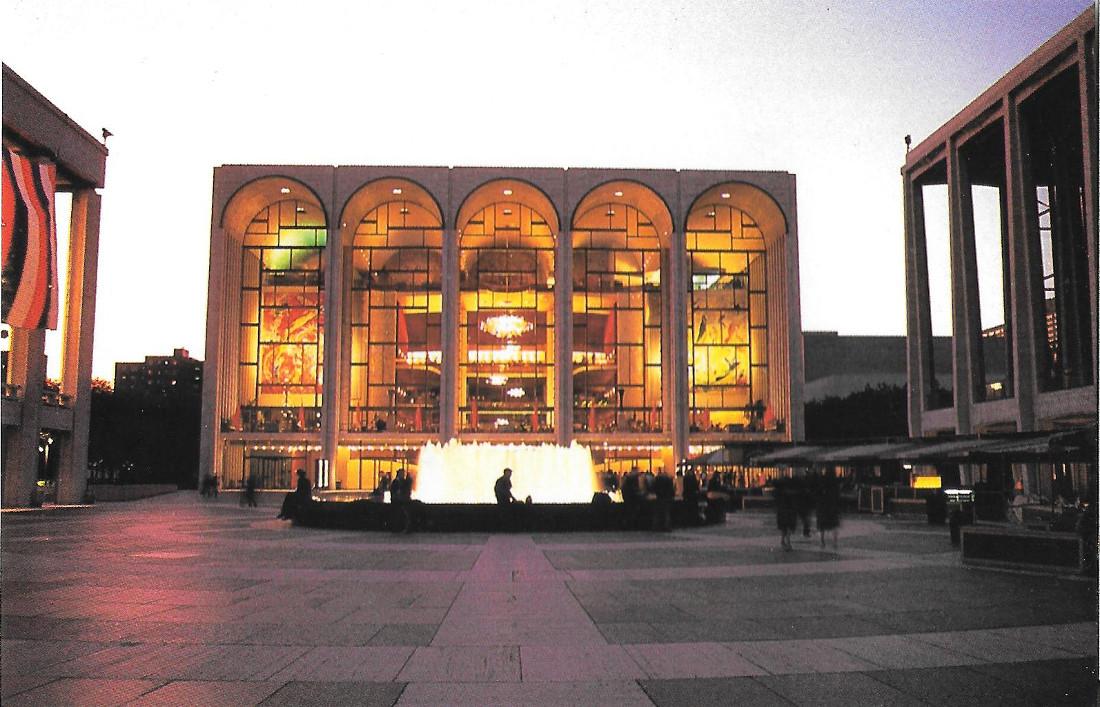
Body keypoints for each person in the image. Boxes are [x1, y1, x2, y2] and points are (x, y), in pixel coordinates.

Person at [816, 469, 841, 548]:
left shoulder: (822, 482)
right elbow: (837, 496)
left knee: (822, 526)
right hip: (832, 507)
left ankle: (822, 541)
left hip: (823, 507)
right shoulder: (835, 483)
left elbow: (817, 494)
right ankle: (835, 542)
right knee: (834, 526)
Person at [774, 477, 797, 551]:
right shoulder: (789, 493)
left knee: (784, 528)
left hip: (781, 511)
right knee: (788, 528)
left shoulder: (778, 492)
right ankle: (788, 543)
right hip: (788, 512)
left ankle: (783, 541)